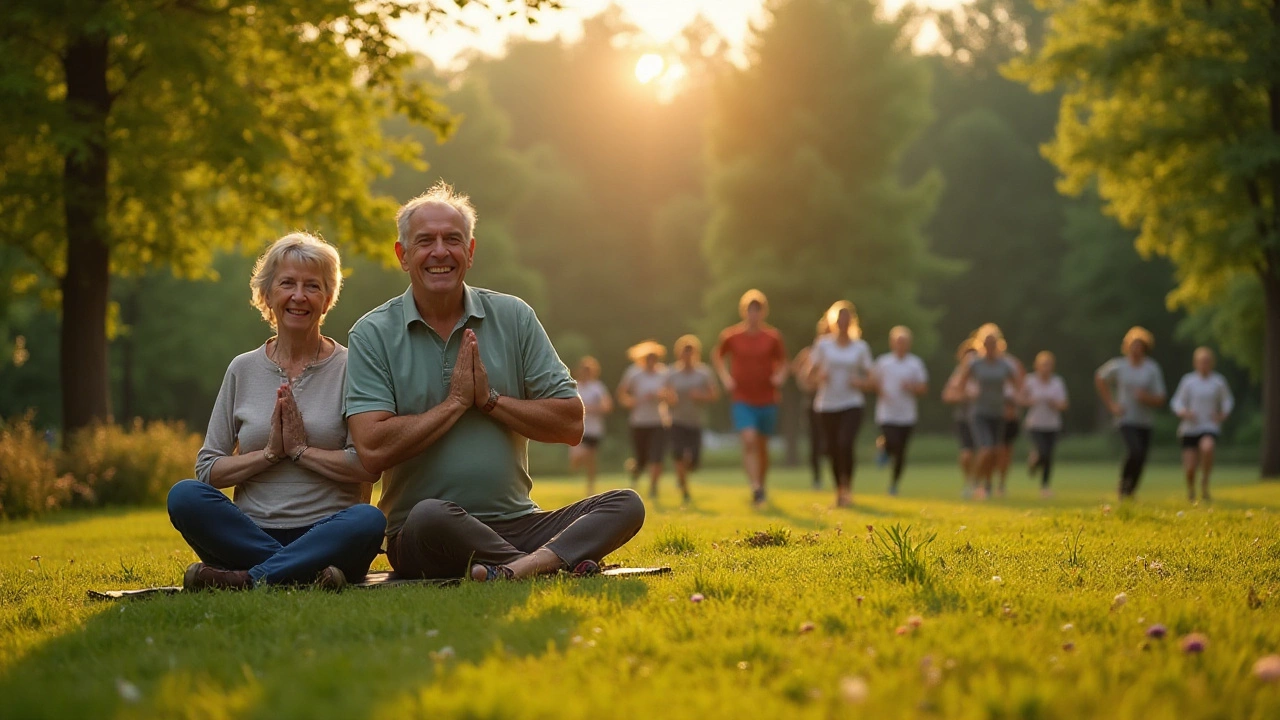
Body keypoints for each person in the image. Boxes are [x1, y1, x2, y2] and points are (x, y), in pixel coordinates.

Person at [345, 181, 645, 582]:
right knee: (430, 513)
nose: (440, 252)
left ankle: (518, 567)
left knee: (626, 504)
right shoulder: (372, 333)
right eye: (425, 241)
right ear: (403, 255)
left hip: (520, 523)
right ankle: (546, 563)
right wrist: (454, 403)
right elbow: (371, 448)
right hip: (423, 532)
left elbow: (572, 423)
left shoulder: (514, 316)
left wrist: (489, 401)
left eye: (453, 240)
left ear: (469, 252)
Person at [168, 233, 386, 591]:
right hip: (250, 532)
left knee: (368, 520)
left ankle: (247, 578)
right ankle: (301, 572)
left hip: (328, 531)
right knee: (185, 496)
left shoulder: (353, 368)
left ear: (328, 298)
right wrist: (269, 454)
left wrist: (301, 451)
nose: (299, 296)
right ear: (267, 295)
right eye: (287, 283)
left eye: (312, 286)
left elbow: (368, 466)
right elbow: (208, 469)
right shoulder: (242, 369)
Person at [713, 289, 788, 507]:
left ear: (763, 312)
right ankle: (755, 487)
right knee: (749, 440)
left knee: (762, 447)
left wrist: (779, 377)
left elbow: (784, 363)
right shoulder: (732, 336)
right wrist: (726, 378)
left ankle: (761, 485)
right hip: (742, 397)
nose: (753, 314)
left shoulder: (772, 337)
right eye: (750, 310)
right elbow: (717, 357)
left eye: (757, 310)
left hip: (767, 398)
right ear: (744, 312)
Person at [805, 301, 874, 507]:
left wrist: (860, 382)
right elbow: (808, 376)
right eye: (839, 319)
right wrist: (820, 377)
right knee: (833, 449)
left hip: (852, 403)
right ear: (832, 321)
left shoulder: (860, 347)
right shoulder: (823, 344)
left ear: (852, 322)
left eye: (847, 319)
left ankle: (848, 487)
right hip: (826, 404)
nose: (843, 323)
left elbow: (872, 379)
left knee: (845, 444)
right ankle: (839, 491)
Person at [1095, 326, 1167, 500]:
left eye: (1140, 345)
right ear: (1127, 346)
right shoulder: (1119, 365)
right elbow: (1099, 377)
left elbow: (1161, 398)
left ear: (1145, 347)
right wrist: (1111, 404)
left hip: (1145, 420)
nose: (1136, 349)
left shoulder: (1152, 368)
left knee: (1142, 456)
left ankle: (1131, 490)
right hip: (1125, 418)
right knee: (1134, 451)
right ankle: (1124, 485)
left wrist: (1146, 398)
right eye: (1133, 344)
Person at [954, 324, 1023, 499]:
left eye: (993, 343)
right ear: (981, 344)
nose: (990, 347)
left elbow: (1018, 385)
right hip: (979, 413)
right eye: (986, 343)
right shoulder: (974, 363)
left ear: (998, 344)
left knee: (995, 452)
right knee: (986, 449)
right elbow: (960, 385)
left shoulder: (1005, 364)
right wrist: (968, 395)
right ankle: (973, 483)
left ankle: (987, 485)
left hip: (999, 413)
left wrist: (1012, 404)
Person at [1170, 347, 1234, 503]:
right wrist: (1184, 412)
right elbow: (1176, 401)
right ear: (1195, 363)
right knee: (1190, 468)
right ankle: (1191, 489)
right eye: (1201, 362)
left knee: (1208, 447)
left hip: (1209, 425)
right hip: (1190, 427)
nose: (1204, 365)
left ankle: (1205, 480)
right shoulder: (1188, 381)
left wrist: (1222, 414)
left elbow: (1227, 400)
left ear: (1211, 363)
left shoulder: (1218, 381)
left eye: (1207, 362)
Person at [872, 326, 928, 496]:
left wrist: (911, 387)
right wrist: (881, 391)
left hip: (907, 414)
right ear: (892, 343)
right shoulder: (883, 362)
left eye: (904, 342)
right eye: (898, 342)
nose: (901, 345)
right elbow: (873, 381)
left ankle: (894, 484)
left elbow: (923, 388)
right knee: (892, 441)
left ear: (909, 344)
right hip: (887, 413)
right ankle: (884, 449)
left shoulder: (915, 363)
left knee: (901, 452)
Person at [665, 335, 720, 503]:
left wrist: (700, 396)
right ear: (679, 354)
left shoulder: (704, 372)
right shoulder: (672, 372)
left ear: (696, 353)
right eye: (684, 352)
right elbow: (665, 393)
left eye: (691, 352)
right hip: (677, 420)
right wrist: (670, 398)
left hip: (696, 421)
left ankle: (682, 475)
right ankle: (684, 489)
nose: (687, 356)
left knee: (693, 461)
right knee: (679, 454)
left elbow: (714, 395)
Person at [617, 341, 670, 499]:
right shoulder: (633, 373)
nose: (651, 361)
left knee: (656, 456)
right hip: (638, 421)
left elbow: (672, 396)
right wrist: (631, 402)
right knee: (642, 459)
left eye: (654, 357)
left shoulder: (664, 373)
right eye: (648, 358)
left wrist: (661, 395)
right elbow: (622, 394)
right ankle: (635, 470)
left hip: (659, 421)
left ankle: (653, 488)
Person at [1019, 351, 1069, 497]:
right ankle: (1034, 461)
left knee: (1049, 456)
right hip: (1034, 424)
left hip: (1052, 425)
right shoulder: (1030, 381)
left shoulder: (1057, 382)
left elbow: (1064, 404)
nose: (1045, 368)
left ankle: (1045, 486)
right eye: (1043, 365)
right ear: (1037, 366)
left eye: (1048, 365)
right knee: (1042, 452)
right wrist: (1030, 402)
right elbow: (1020, 399)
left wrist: (1055, 404)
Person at [792, 318, 830, 489]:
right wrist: (809, 382)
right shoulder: (809, 353)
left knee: (829, 441)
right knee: (815, 440)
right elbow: (796, 369)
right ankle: (817, 477)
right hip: (812, 399)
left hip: (832, 399)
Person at [942, 339, 979, 497]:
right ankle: (968, 481)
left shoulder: (984, 374)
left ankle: (980, 482)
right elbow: (947, 395)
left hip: (982, 417)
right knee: (967, 453)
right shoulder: (958, 374)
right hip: (964, 417)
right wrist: (965, 396)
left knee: (983, 452)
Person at [572, 356, 613, 496]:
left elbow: (607, 406)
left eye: (589, 370)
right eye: (584, 370)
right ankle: (577, 467)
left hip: (594, 429)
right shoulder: (574, 386)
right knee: (576, 458)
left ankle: (590, 486)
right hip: (577, 427)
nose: (586, 373)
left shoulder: (598, 387)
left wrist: (592, 409)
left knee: (591, 460)